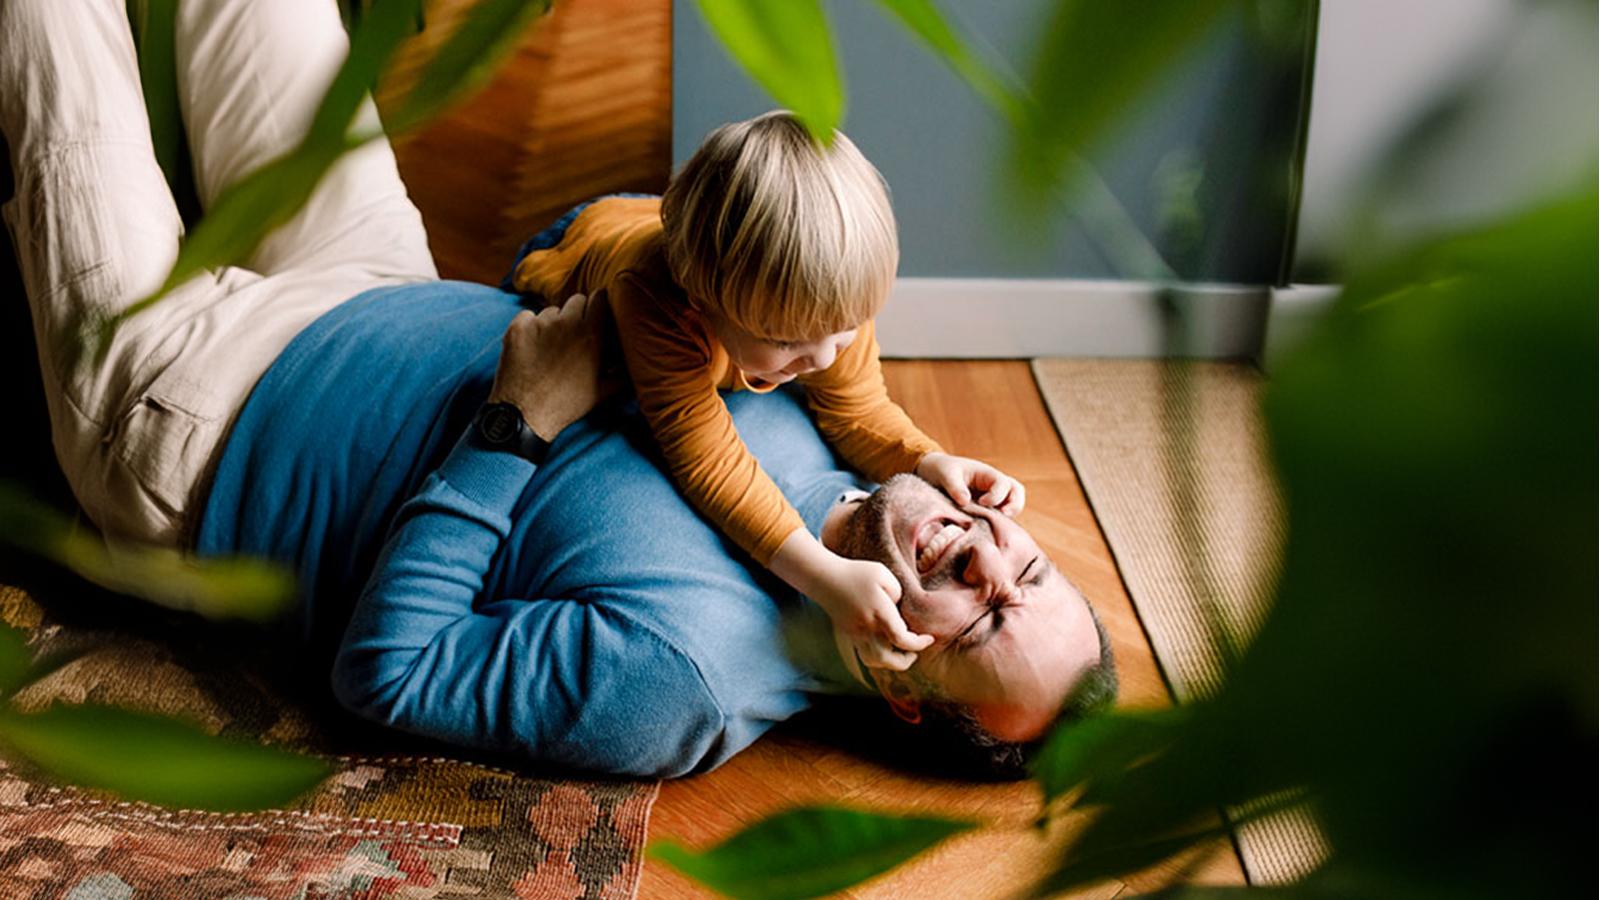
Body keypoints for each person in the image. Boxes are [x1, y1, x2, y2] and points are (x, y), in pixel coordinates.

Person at [1, 0, 1115, 778]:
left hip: (196, 420)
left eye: (981, 617)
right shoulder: (833, 423)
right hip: (377, 280)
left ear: (903, 688)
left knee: (62, 36)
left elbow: (386, 674)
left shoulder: (680, 682)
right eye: (1025, 564)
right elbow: (582, 278)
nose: (982, 555)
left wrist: (513, 428)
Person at [507, 113, 1024, 674]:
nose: (823, 358)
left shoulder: (826, 305)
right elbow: (707, 460)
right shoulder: (654, 301)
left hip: (670, 219)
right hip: (587, 237)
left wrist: (927, 459)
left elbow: (858, 410)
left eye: (845, 331)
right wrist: (823, 577)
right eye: (785, 342)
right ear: (699, 301)